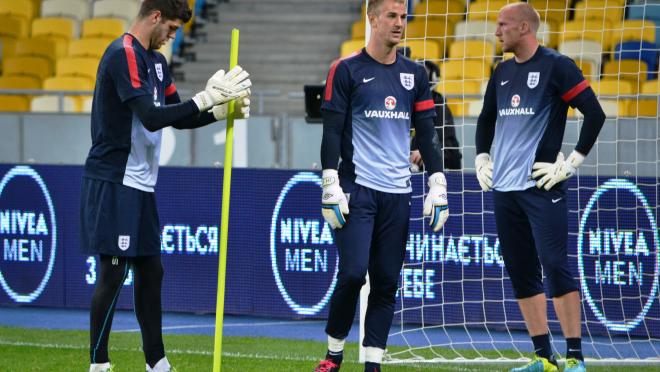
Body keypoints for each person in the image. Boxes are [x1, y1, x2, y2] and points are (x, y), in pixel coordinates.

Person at [79, 1, 251, 371]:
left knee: (151, 270)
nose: (173, 36)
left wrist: (219, 113)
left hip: (141, 183)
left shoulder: (157, 63)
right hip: (114, 179)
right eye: (171, 28)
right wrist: (205, 98)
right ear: (155, 17)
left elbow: (179, 115)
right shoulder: (122, 54)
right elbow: (153, 118)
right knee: (113, 272)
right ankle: (99, 363)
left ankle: (156, 362)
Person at [314, 0, 449, 371]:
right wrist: (329, 181)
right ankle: (334, 353)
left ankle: (372, 364)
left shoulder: (415, 75)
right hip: (356, 188)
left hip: (398, 194)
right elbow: (331, 131)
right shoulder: (345, 70)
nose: (399, 23)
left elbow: (427, 134)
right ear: (371, 19)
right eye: (391, 16)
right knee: (354, 273)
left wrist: (437, 183)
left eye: (403, 16)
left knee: (387, 282)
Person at [474, 3, 605, 372]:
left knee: (555, 265)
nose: (497, 32)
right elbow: (486, 119)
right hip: (504, 188)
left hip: (541, 185)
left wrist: (571, 163)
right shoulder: (500, 72)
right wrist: (482, 157)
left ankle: (576, 358)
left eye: (502, 25)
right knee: (520, 269)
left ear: (524, 28)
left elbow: (594, 113)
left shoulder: (557, 66)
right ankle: (545, 359)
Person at [410, 60, 462, 171]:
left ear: (433, 78)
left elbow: (449, 149)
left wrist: (426, 152)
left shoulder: (439, 104)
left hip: (439, 169)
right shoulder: (406, 103)